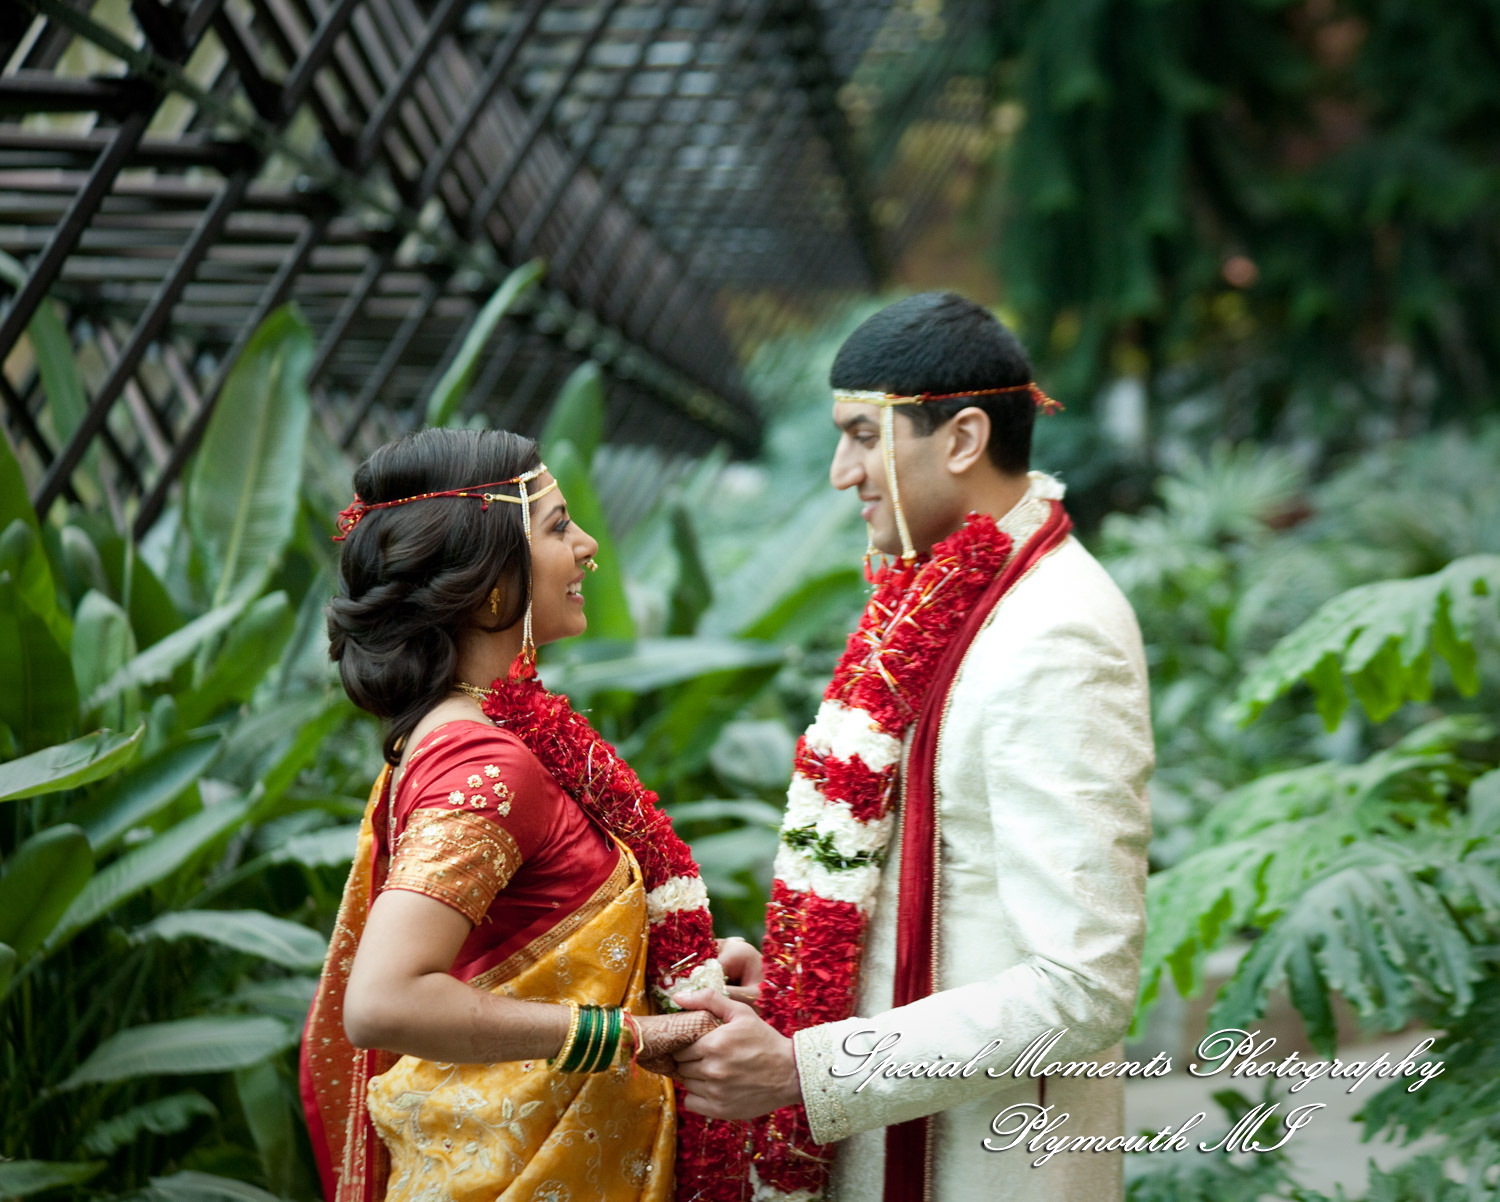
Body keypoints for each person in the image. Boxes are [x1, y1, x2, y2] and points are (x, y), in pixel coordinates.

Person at [670, 293, 1155, 1202]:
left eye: (861, 435)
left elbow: (1084, 985)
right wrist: (793, 989)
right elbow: (946, 894)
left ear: (964, 440)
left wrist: (808, 1071)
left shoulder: (1055, 633)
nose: (838, 472)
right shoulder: (943, 598)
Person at [300, 428, 754, 1202]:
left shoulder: (481, 729)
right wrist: (631, 1034)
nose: (586, 547)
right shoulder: (486, 762)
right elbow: (386, 999)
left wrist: (678, 980)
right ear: (487, 585)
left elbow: (514, 941)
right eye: (555, 527)